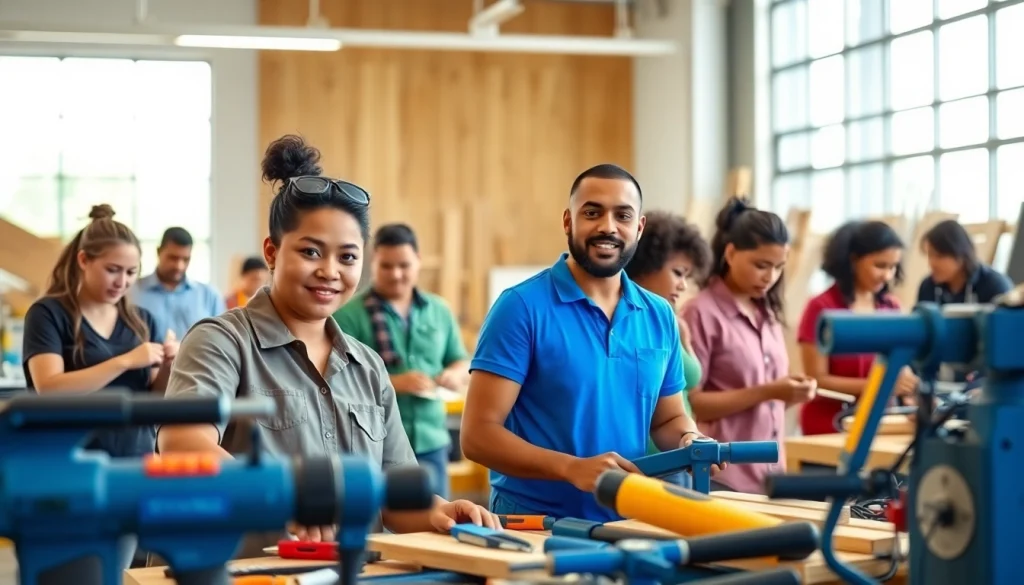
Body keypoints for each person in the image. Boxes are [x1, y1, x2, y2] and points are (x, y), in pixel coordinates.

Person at [157, 135, 497, 558]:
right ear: (271, 252)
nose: (330, 271)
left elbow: (395, 492)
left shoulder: (367, 367)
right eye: (311, 252)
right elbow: (183, 444)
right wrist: (286, 494)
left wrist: (442, 513)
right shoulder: (220, 341)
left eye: (348, 257)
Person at [460, 164, 716, 522]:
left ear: (639, 227)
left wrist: (690, 438)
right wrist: (570, 468)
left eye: (622, 215)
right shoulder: (520, 307)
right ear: (568, 222)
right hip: (536, 525)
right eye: (592, 213)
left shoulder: (658, 314)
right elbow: (478, 435)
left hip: (628, 520)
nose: (608, 227)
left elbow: (668, 419)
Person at [21, 204, 178, 573]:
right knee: (72, 572)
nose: (122, 282)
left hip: (131, 466)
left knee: (117, 572)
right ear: (83, 260)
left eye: (131, 273)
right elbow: (50, 389)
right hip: (69, 468)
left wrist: (171, 363)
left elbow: (156, 397)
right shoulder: (48, 314)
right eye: (112, 269)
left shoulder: (142, 321)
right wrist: (125, 361)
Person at [682, 197, 812, 494]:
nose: (770, 277)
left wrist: (791, 392)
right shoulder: (700, 313)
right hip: (724, 476)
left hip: (771, 474)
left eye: (779, 267)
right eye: (761, 265)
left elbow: (767, 400)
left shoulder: (767, 312)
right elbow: (692, 404)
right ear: (730, 253)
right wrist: (769, 391)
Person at [333, 223, 470, 499]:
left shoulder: (439, 310)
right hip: (373, 444)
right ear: (373, 263)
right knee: (380, 521)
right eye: (387, 266)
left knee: (437, 517)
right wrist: (394, 383)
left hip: (431, 441)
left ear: (418, 261)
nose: (396, 274)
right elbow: (336, 379)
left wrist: (454, 375)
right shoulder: (347, 314)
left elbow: (460, 360)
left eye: (404, 265)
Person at [797, 221, 917, 435]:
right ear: (853, 260)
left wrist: (909, 388)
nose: (887, 276)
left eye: (893, 267)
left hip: (880, 424)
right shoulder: (821, 307)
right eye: (880, 265)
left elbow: (900, 366)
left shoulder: (891, 307)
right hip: (828, 426)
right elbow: (817, 379)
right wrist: (882, 385)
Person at [624, 210, 712, 425]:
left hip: (683, 441)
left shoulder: (676, 324)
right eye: (678, 272)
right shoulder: (621, 321)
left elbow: (690, 390)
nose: (683, 285)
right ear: (647, 265)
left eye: (687, 276)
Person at [129, 227, 226, 339]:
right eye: (173, 258)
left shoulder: (209, 296)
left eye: (185, 259)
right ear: (158, 252)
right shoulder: (131, 292)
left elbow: (221, 340)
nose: (179, 266)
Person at [918, 219, 1012, 305]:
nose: (932, 263)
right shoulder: (928, 287)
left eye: (939, 256)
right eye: (929, 256)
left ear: (960, 254)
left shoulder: (995, 286)